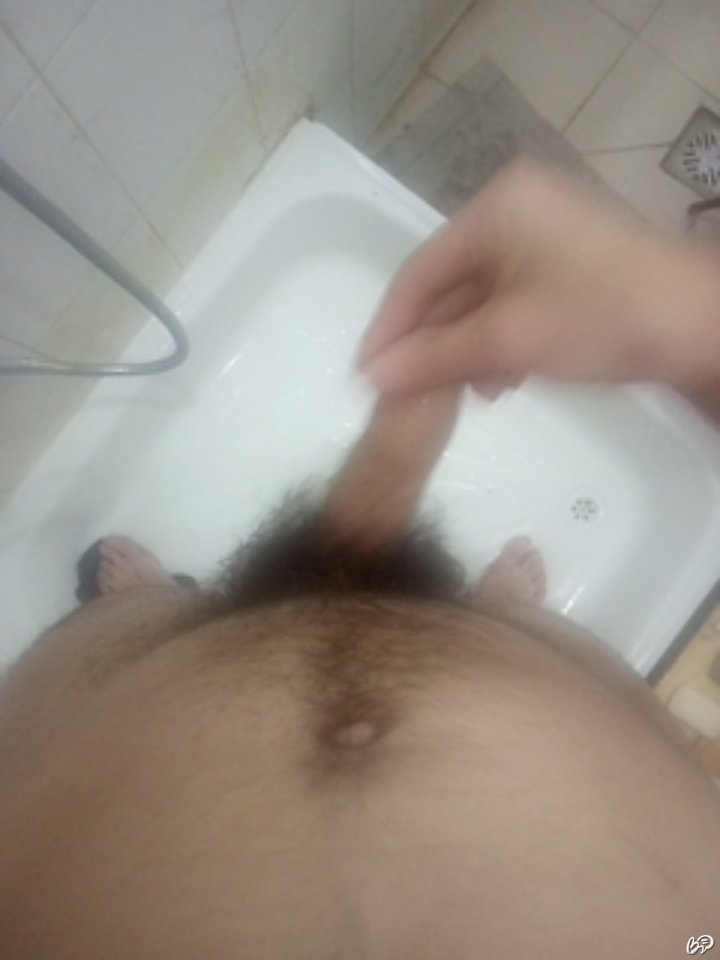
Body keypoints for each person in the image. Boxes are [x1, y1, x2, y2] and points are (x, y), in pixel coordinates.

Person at [1, 160, 719, 959]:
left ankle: (157, 605)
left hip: (111, 744)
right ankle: (497, 616)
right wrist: (694, 319)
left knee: (129, 637)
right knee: (536, 650)